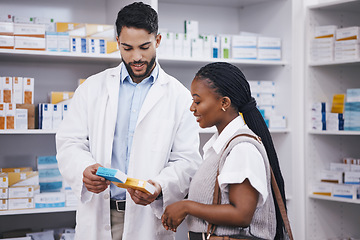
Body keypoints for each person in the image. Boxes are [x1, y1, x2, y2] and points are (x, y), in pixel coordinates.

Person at [55, 2, 202, 240]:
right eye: (127, 48)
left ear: (158, 40)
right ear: (117, 42)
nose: (136, 57)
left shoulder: (178, 95)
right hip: (100, 213)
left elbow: (187, 160)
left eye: (144, 47)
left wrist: (158, 186)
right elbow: (69, 141)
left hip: (147, 218)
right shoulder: (92, 87)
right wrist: (83, 169)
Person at [161, 62, 287, 240]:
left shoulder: (242, 149)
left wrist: (187, 207)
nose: (192, 108)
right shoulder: (222, 147)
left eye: (197, 101)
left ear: (224, 103)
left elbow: (241, 215)